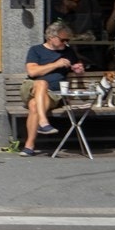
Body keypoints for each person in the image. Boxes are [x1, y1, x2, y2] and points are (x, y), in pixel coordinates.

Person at [20, 24, 84, 156]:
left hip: (54, 95)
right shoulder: (36, 50)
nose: (65, 43)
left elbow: (77, 66)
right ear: (51, 37)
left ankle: (29, 146)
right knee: (42, 83)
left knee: (34, 105)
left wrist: (78, 69)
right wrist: (56, 64)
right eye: (63, 40)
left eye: (68, 40)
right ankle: (43, 122)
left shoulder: (69, 52)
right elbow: (32, 72)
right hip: (31, 87)